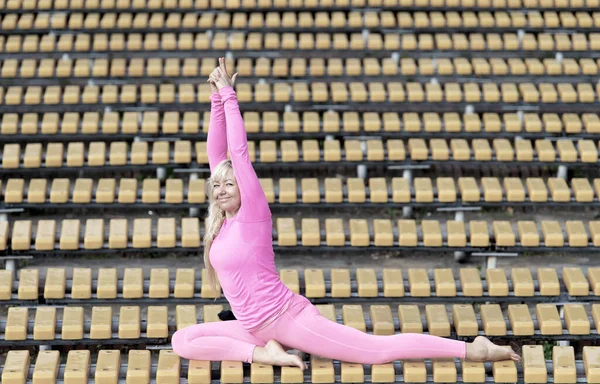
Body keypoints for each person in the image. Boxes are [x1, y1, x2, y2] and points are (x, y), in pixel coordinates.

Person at [171, 58, 521, 370]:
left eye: (229, 185)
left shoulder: (253, 213)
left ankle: (471, 349)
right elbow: (217, 152)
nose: (221, 190)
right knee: (182, 340)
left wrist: (230, 97)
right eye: (216, 186)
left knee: (376, 351)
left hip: (287, 319)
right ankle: (264, 354)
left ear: (241, 188)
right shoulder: (223, 221)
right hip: (252, 328)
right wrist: (216, 98)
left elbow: (238, 153)